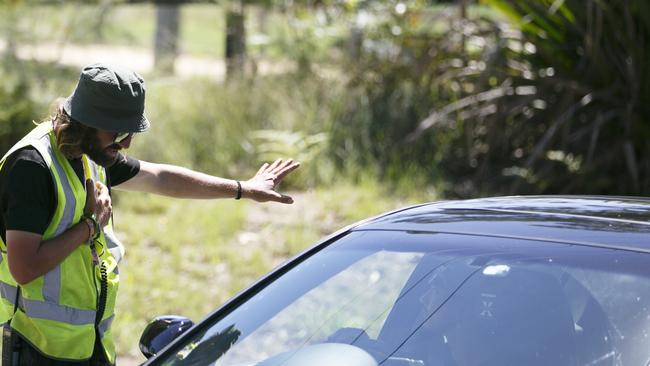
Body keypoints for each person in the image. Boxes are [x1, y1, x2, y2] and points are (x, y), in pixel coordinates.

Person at [0, 63, 300, 365]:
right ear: (87, 122)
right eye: (118, 131)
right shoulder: (32, 167)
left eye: (130, 132)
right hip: (37, 348)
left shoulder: (89, 149)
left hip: (88, 344)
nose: (126, 142)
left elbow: (160, 177)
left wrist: (243, 189)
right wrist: (89, 227)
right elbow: (24, 267)